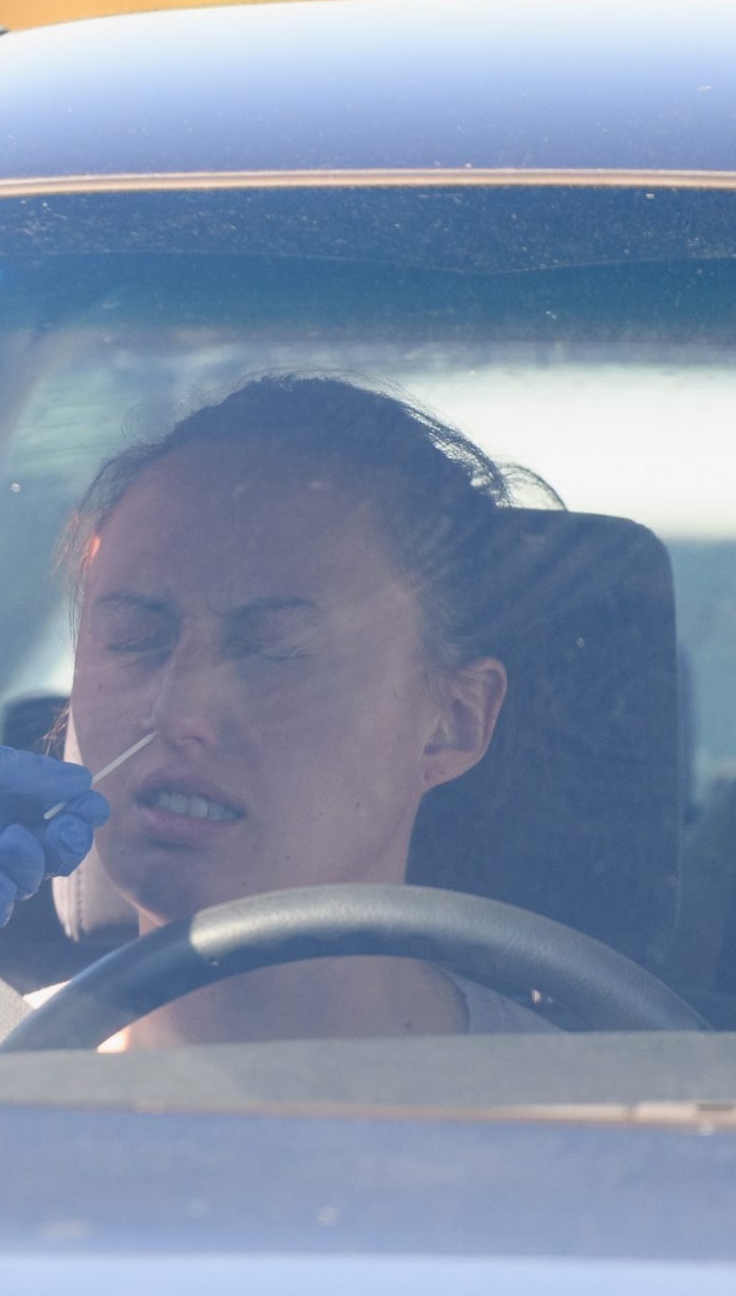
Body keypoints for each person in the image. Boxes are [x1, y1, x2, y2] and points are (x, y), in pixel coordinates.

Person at [58, 373, 555, 1045]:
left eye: (275, 652)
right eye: (134, 637)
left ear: (455, 721)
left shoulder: (615, 1131)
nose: (179, 711)